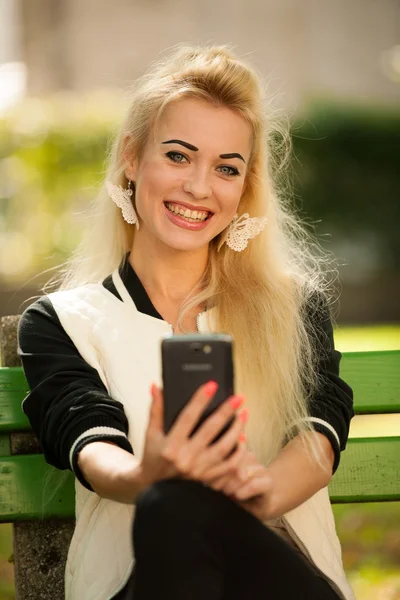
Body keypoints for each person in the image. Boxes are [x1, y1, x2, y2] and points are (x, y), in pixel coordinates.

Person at [17, 45, 355, 600]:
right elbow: (83, 434)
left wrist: (257, 496)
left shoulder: (294, 305)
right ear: (132, 157)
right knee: (174, 504)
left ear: (244, 188)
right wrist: (146, 475)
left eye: (227, 168)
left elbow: (321, 426)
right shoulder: (64, 321)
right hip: (141, 583)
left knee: (187, 504)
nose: (200, 187)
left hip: (279, 574)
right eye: (178, 156)